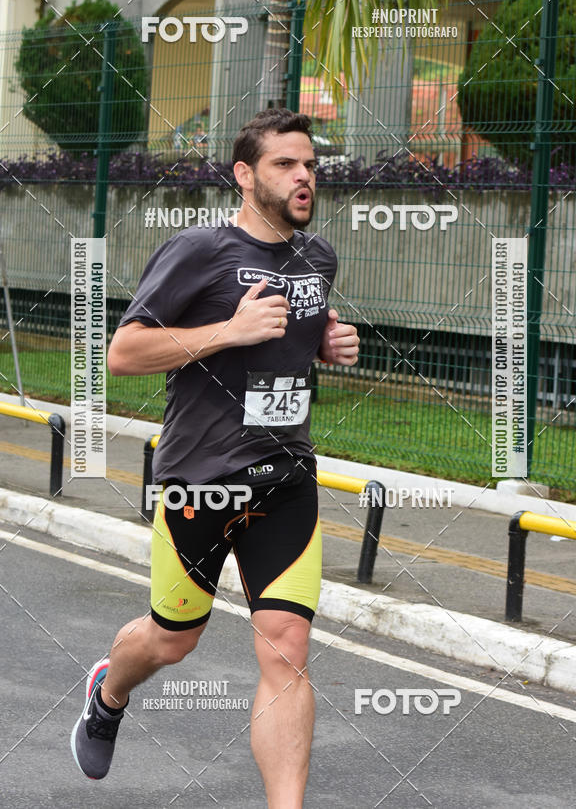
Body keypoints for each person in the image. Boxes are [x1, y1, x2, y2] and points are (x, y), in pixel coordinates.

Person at [70, 108, 360, 807]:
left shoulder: (317, 258)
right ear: (243, 174)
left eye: (310, 166)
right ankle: (109, 693)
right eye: (286, 165)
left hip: (286, 478)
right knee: (173, 639)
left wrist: (328, 344)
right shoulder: (198, 250)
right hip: (199, 479)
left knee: (287, 644)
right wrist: (227, 329)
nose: (303, 177)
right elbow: (124, 352)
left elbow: (294, 338)